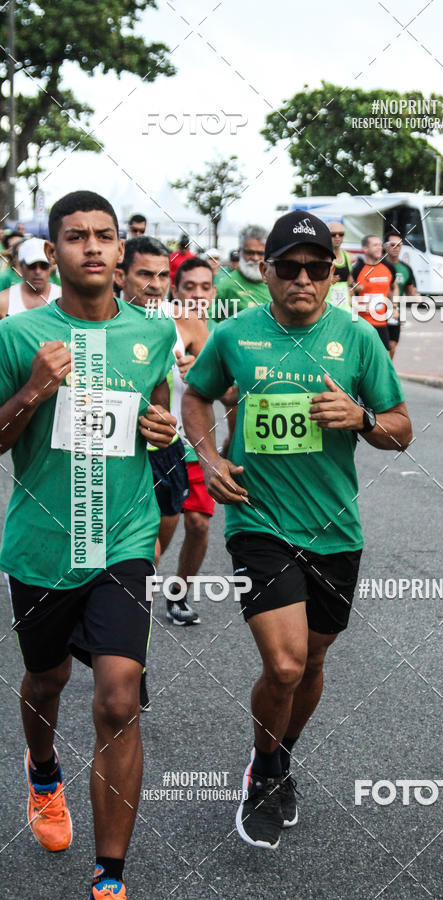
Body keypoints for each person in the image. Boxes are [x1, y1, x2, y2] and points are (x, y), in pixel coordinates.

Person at [182, 209, 412, 850]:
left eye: (317, 269)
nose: (304, 279)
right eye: (289, 267)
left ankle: (279, 754)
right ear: (267, 270)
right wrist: (208, 457)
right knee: (282, 665)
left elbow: (401, 429)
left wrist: (362, 418)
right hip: (258, 519)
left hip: (336, 529)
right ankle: (265, 771)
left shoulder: (358, 339)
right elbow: (196, 395)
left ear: (331, 273)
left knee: (311, 662)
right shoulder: (236, 336)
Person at [0, 190, 177, 899]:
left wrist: (163, 429)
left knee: (117, 697)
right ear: (53, 252)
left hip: (123, 538)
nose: (94, 247)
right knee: (47, 680)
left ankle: (110, 880)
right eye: (77, 237)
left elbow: (156, 409)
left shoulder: (153, 334)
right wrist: (34, 391)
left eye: (106, 235)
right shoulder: (18, 338)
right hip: (44, 543)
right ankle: (43, 771)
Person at [115, 236, 199, 627]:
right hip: (114, 457)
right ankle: (118, 634)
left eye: (163, 275)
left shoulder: (169, 326)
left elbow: (167, 392)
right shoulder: (96, 323)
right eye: (144, 274)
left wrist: (164, 420)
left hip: (165, 454)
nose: (155, 284)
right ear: (120, 275)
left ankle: (128, 619)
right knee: (136, 551)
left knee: (156, 549)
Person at [170, 257, 216, 611]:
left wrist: (201, 375)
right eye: (189, 287)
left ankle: (179, 593)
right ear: (176, 289)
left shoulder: (219, 333)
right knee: (153, 535)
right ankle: (132, 605)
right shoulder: (159, 323)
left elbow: (232, 392)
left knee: (199, 525)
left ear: (214, 293)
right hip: (158, 446)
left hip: (197, 445)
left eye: (205, 287)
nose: (198, 294)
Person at [352, 234, 398, 355]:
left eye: (380, 245)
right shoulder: (357, 270)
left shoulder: (388, 267)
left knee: (385, 355)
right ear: (365, 249)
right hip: (362, 323)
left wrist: (394, 307)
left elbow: (394, 287)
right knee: (362, 356)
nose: (379, 248)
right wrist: (359, 307)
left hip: (381, 322)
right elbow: (348, 295)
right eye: (375, 245)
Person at [213, 224, 270, 321]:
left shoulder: (277, 284)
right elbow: (213, 323)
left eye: (260, 253)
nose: (255, 258)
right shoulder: (226, 286)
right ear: (240, 252)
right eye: (250, 253)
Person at [0, 238, 61, 318]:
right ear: (21, 266)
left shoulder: (64, 298)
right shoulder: (3, 301)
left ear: (50, 267)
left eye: (43, 266)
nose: (38, 271)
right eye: (32, 266)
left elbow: (79, 329)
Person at [384, 232, 420, 359]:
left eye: (399, 245)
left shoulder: (405, 268)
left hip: (395, 313)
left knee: (392, 346)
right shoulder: (379, 265)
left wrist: (416, 296)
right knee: (380, 346)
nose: (396, 248)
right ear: (385, 246)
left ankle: (387, 373)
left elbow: (410, 290)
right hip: (377, 312)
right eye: (392, 245)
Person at [325, 222, 354, 311]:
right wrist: (327, 281)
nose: (337, 237)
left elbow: (349, 280)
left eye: (341, 234)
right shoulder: (322, 257)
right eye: (333, 235)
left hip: (345, 309)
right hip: (328, 308)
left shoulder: (349, 257)